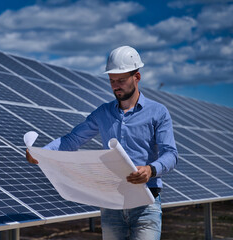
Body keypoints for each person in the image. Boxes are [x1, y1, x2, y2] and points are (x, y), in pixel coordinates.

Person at [26, 45, 178, 239]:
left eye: (121, 80)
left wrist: (150, 169)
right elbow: (72, 140)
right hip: (111, 203)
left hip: (146, 204)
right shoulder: (103, 113)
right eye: (112, 80)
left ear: (136, 77)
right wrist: (42, 153)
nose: (116, 86)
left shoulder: (158, 112)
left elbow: (171, 154)